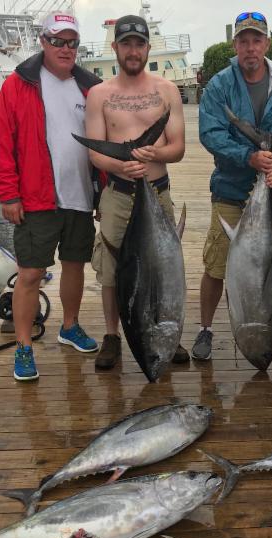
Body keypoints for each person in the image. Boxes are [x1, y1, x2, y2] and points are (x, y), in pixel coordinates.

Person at [0, 12, 102, 381]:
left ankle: (70, 326)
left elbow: (103, 141)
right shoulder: (18, 84)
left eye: (72, 42)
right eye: (57, 41)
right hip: (36, 198)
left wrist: (103, 192)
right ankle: (23, 346)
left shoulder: (91, 86)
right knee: (31, 272)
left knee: (75, 264)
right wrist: (8, 195)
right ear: (43, 41)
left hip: (80, 196)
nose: (65, 48)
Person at [193, 11, 272, 362]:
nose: (250, 47)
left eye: (257, 40)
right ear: (235, 46)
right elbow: (210, 133)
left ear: (267, 44)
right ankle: (206, 328)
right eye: (244, 41)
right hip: (230, 189)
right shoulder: (220, 85)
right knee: (216, 265)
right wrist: (249, 157)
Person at [84, 14, 188, 369]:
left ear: (147, 48)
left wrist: (152, 154)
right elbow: (95, 152)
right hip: (117, 193)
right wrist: (121, 165)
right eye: (126, 44)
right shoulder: (99, 94)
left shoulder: (167, 90)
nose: (133, 51)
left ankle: (167, 331)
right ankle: (112, 336)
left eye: (139, 44)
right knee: (111, 269)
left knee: (164, 267)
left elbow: (177, 148)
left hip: (157, 192)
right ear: (115, 47)